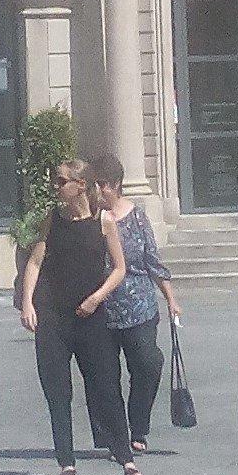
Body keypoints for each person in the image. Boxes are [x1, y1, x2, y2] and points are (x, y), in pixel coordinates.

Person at [15, 156, 139, 475]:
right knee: (57, 391)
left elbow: (119, 268)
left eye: (60, 181)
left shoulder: (104, 221)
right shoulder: (51, 220)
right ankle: (66, 461)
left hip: (90, 316)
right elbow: (35, 263)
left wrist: (97, 298)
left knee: (105, 388)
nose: (55, 187)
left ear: (79, 185)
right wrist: (28, 303)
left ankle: (124, 457)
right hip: (53, 317)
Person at [87, 153, 179, 451]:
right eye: (94, 185)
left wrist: (170, 299)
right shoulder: (87, 219)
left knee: (147, 363)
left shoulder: (136, 216)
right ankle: (111, 433)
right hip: (98, 309)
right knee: (102, 374)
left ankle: (137, 426)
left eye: (104, 185)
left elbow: (152, 260)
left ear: (117, 185)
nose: (99, 191)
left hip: (138, 305)